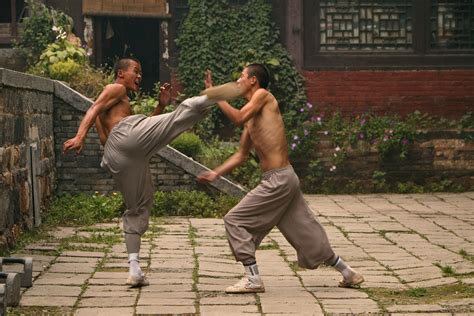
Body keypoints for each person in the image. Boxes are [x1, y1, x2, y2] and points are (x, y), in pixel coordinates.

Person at [63, 57, 240, 287]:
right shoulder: (115, 88)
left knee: (138, 206)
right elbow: (95, 108)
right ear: (120, 74)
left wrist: (162, 105)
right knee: (179, 117)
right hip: (124, 140)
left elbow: (145, 131)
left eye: (141, 72)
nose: (139, 76)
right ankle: (213, 95)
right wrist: (80, 135)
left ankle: (134, 268)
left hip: (117, 156)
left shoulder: (119, 104)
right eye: (135, 71)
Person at [198, 64, 364, 293]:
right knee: (305, 231)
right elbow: (241, 155)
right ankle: (348, 272)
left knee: (234, 220)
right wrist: (216, 172)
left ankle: (253, 279)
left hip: (278, 180)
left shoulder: (263, 96)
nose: (238, 81)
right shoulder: (252, 116)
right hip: (284, 179)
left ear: (253, 80)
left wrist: (216, 95)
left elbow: (236, 117)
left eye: (241, 77)